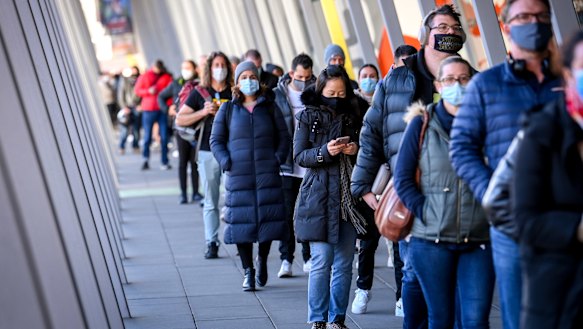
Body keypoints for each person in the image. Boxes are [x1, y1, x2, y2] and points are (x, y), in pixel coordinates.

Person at [351, 4, 470, 325]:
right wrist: (362, 187)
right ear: (425, 36)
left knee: (460, 282)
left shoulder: (470, 80)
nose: (449, 33)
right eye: (441, 28)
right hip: (411, 192)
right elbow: (372, 131)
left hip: (461, 196)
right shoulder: (398, 80)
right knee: (414, 276)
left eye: (454, 29)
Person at [449, 1, 561, 328]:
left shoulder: (572, 80)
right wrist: (491, 194)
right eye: (524, 17)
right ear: (507, 26)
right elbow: (462, 147)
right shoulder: (486, 85)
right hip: (514, 226)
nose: (534, 23)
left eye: (540, 16)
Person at [394, 56, 494, 328]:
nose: (457, 85)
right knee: (440, 319)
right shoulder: (422, 123)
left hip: (478, 239)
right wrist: (426, 211)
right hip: (431, 241)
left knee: (476, 321)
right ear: (438, 84)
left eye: (463, 79)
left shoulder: (487, 123)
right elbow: (402, 178)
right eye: (449, 79)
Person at [512, 31, 583, 329]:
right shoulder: (542, 131)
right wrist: (577, 229)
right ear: (567, 73)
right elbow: (526, 222)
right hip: (561, 298)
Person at [294, 65, 369, 329]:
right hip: (318, 197)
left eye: (340, 92)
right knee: (321, 261)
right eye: (330, 92)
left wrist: (354, 149)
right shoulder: (308, 116)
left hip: (349, 199)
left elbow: (368, 152)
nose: (335, 97)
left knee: (344, 264)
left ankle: (337, 318)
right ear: (320, 90)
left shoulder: (357, 113)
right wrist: (325, 151)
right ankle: (317, 320)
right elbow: (300, 156)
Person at [210, 61, 290, 291]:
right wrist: (226, 161)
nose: (248, 80)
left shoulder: (270, 107)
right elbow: (216, 140)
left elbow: (284, 137)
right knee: (241, 223)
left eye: (252, 76)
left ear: (258, 79)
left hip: (268, 173)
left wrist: (277, 158)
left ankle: (262, 260)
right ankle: (248, 270)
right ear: (237, 82)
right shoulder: (227, 109)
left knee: (267, 220)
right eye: (243, 76)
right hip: (239, 175)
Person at [177, 51, 233, 259]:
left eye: (223, 64)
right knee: (211, 199)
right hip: (207, 152)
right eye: (216, 65)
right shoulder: (200, 93)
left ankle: (235, 236)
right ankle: (212, 242)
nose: (220, 68)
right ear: (209, 69)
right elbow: (180, 120)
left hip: (232, 151)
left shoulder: (235, 91)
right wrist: (203, 112)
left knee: (233, 197)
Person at [273, 53, 316, 278]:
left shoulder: (316, 93)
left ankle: (307, 256)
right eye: (300, 76)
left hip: (309, 164)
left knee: (307, 213)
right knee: (287, 213)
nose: (304, 81)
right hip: (287, 166)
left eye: (308, 77)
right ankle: (286, 258)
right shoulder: (278, 96)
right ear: (291, 74)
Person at [157, 60, 203, 204]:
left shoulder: (200, 84)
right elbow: (161, 97)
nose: (185, 70)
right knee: (183, 162)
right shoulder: (176, 83)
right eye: (183, 67)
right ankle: (183, 193)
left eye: (188, 68)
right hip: (180, 128)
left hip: (197, 127)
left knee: (195, 162)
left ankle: (196, 192)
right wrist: (168, 109)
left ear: (194, 69)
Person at [134, 59, 173, 170]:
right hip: (148, 109)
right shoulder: (145, 76)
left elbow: (171, 93)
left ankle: (164, 161)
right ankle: (145, 159)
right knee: (147, 137)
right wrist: (148, 91)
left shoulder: (166, 77)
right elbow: (137, 90)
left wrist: (168, 107)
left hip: (162, 110)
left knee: (164, 137)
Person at [118, 66, 141, 154]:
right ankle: (122, 147)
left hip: (136, 107)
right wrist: (124, 107)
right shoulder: (124, 80)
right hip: (127, 107)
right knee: (124, 129)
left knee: (136, 129)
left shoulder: (139, 80)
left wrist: (140, 105)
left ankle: (135, 146)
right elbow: (120, 95)